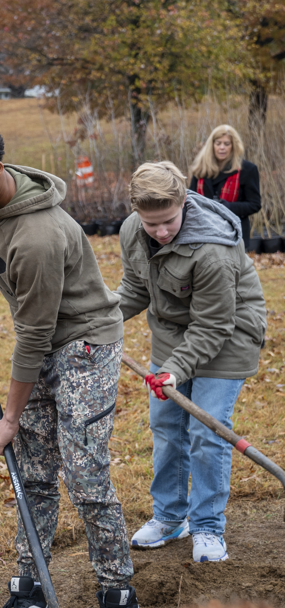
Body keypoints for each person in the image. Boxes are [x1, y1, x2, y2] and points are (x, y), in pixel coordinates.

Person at [0, 119, 138, 608]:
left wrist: (9, 418)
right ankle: (31, 584)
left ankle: (117, 586)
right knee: (35, 474)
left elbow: (32, 339)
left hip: (84, 345)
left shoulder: (38, 238)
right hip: (47, 340)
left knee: (85, 476)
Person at [117, 161, 266, 563]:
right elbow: (136, 287)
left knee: (207, 431)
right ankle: (169, 517)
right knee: (166, 427)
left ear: (185, 200)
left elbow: (214, 325)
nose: (161, 231)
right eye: (152, 224)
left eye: (168, 221)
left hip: (229, 333)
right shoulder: (133, 231)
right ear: (135, 212)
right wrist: (100, 317)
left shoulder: (213, 249)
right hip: (172, 333)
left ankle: (207, 527)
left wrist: (175, 370)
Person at [188, 125, 261, 250]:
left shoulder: (247, 170)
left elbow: (254, 204)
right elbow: (190, 200)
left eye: (227, 143)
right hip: (204, 232)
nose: (222, 147)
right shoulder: (200, 170)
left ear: (233, 146)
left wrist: (228, 207)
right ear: (212, 145)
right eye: (218, 143)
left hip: (235, 233)